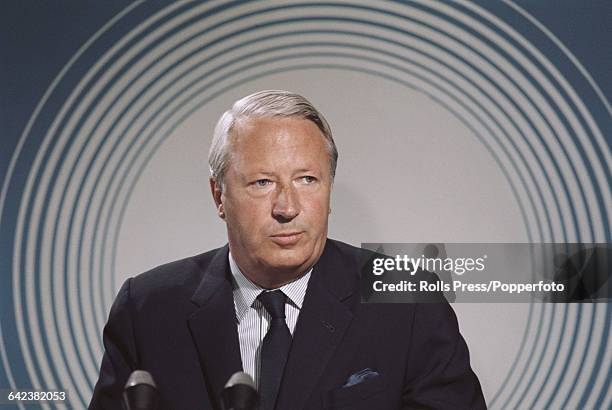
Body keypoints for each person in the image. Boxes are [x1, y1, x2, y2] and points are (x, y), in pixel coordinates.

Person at [89, 90, 486, 409]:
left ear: (329, 190)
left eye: (307, 179)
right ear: (219, 196)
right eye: (262, 182)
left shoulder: (409, 303)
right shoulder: (147, 309)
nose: (288, 208)